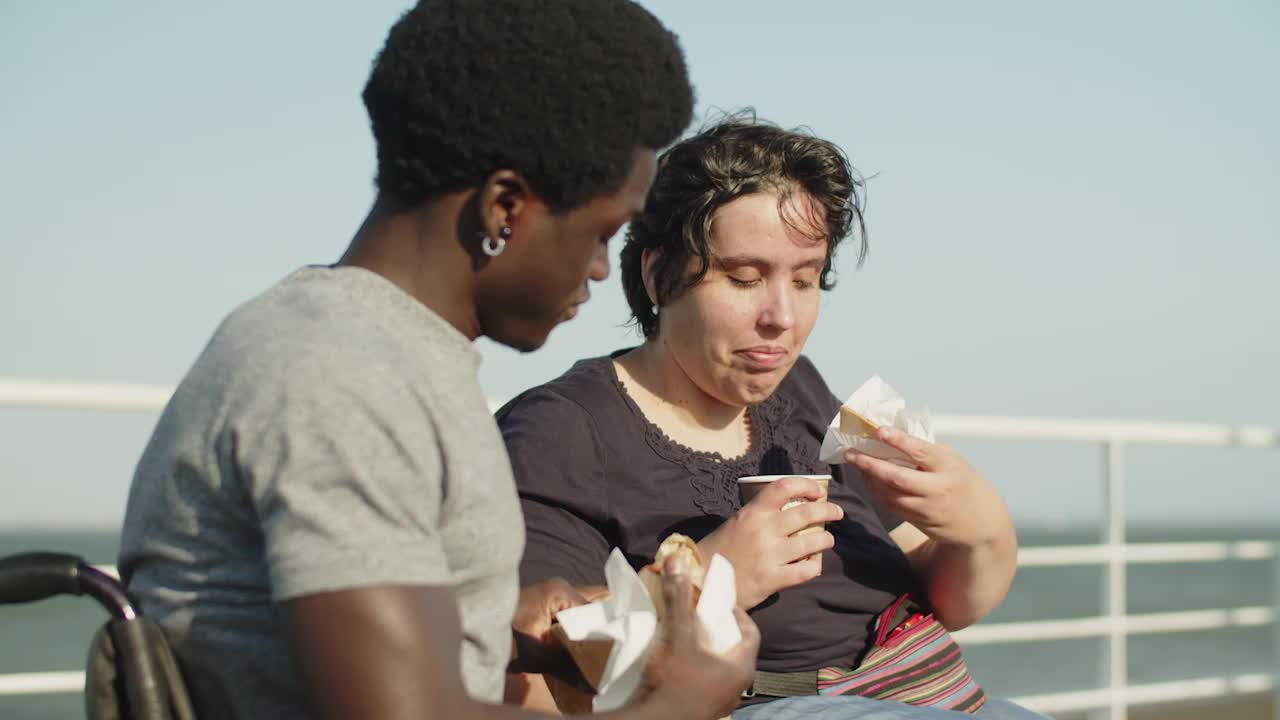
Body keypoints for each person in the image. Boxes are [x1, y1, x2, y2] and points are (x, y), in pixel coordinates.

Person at [116, 3, 760, 719]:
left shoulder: (352, 341)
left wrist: (498, 626)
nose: (603, 270)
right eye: (601, 233)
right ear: (503, 208)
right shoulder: (344, 375)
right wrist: (682, 704)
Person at [499, 118, 1047, 719]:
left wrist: (977, 525)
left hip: (931, 692)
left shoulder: (802, 390)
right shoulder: (563, 430)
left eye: (806, 279)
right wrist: (709, 575)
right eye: (744, 278)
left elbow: (948, 601)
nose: (781, 317)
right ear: (658, 275)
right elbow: (529, 667)